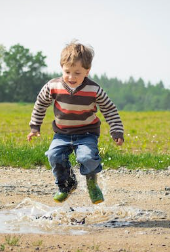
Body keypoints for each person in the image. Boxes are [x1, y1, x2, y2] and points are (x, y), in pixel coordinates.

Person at [27, 40, 124, 204]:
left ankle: (92, 184)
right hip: (62, 134)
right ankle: (67, 185)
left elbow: (109, 109)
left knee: (87, 158)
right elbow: (41, 104)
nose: (71, 77)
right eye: (67, 71)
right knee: (54, 155)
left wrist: (116, 131)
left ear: (87, 71)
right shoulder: (53, 86)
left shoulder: (94, 90)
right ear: (62, 68)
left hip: (87, 133)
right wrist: (35, 126)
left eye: (77, 73)